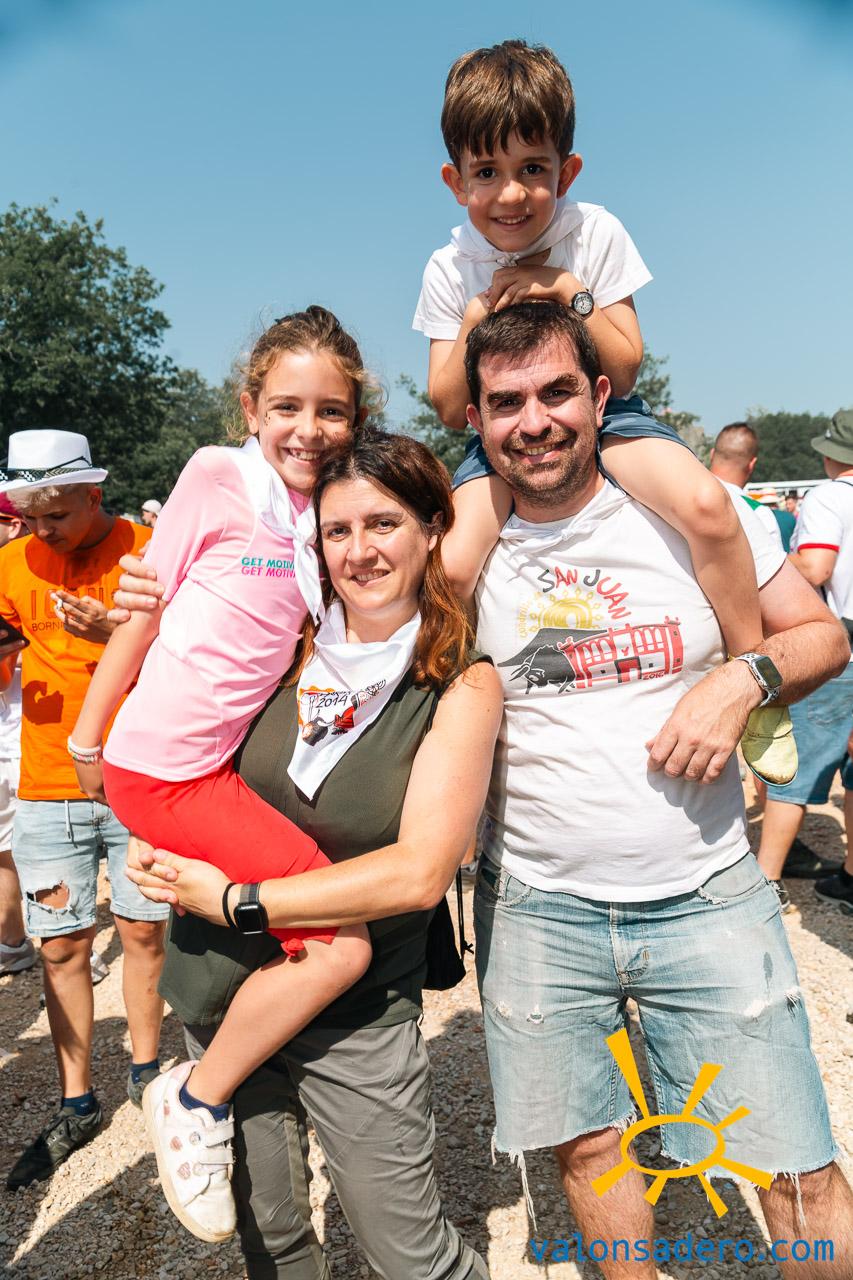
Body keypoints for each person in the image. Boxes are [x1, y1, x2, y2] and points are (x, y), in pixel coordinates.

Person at [462, 303, 851, 1280]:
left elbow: (822, 636)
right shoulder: (461, 547)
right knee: (591, 1150)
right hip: (535, 907)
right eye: (506, 402)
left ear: (600, 396)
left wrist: (742, 678)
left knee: (794, 1169)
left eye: (556, 392)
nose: (534, 421)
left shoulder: (695, 514)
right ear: (475, 418)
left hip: (706, 894)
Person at [110, 427, 503, 1280]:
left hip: (356, 1008)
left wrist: (235, 900)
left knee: (410, 1258)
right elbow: (185, 753)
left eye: (383, 524)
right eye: (336, 531)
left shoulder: (459, 681)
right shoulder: (280, 640)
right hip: (223, 989)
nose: (359, 551)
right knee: (273, 1243)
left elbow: (419, 873)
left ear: (433, 527)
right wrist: (159, 835)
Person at [71, 307, 376, 1242]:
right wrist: (86, 741)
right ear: (250, 409)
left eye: (331, 410)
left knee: (307, 933)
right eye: (286, 406)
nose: (307, 429)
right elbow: (143, 613)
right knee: (341, 944)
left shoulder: (330, 511)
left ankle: (253, 1084)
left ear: (356, 418)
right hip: (165, 769)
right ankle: (195, 1098)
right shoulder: (217, 475)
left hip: (207, 767)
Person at [413, 38, 764, 700]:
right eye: (486, 171)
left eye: (532, 169)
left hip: (610, 415)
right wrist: (475, 315)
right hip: (504, 434)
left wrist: (564, 287)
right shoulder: (449, 267)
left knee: (705, 506)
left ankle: (748, 673)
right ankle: (441, 706)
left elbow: (624, 369)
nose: (510, 193)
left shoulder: (594, 232)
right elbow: (448, 404)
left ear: (566, 173)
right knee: (451, 567)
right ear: (455, 182)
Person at [0, 430, 167, 1191]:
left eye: (58, 514)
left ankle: (147, 1073)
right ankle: (77, 1101)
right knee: (61, 947)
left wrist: (116, 635)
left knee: (144, 931)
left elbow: (196, 656)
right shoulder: (11, 565)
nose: (43, 530)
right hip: (45, 786)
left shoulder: (148, 550)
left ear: (94, 495)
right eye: (31, 517)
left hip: (137, 779)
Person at [758, 409, 853, 913]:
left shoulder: (829, 496)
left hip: (842, 647)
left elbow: (816, 565)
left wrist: (767, 564)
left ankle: (766, 883)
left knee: (794, 773)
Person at [0, 495, 35, 976]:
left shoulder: (42, 572)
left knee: (44, 843)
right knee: (4, 845)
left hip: (39, 737)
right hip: (8, 732)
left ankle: (71, 943)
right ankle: (12, 941)